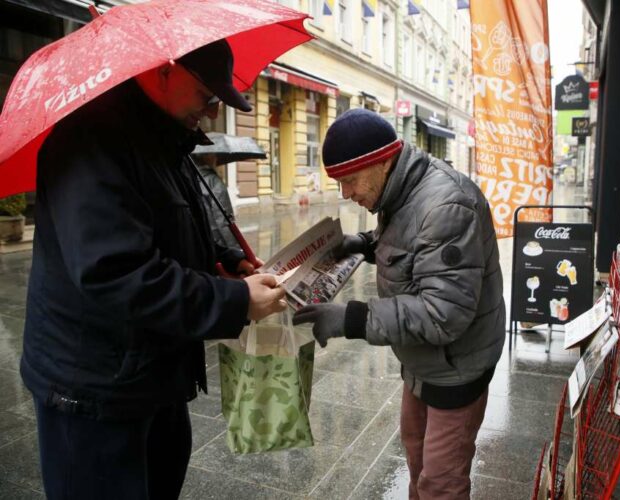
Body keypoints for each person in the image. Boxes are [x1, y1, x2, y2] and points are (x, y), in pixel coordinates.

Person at [21, 39, 287, 500]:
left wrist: (223, 263)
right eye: (207, 96)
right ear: (165, 71)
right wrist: (237, 300)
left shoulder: (160, 139)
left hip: (150, 377)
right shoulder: (91, 141)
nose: (209, 113)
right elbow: (118, 273)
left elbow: (165, 224)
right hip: (95, 392)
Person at [293, 109, 505, 499]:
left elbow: (444, 315)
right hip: (423, 362)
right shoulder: (402, 189)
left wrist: (351, 319)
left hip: (455, 367)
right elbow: (411, 245)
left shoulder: (446, 205)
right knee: (417, 461)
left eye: (350, 180)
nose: (346, 194)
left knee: (440, 482)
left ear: (384, 161)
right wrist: (363, 244)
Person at [192, 152, 238, 250]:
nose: (216, 158)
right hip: (218, 245)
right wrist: (236, 250)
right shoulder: (214, 181)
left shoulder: (189, 179)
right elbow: (224, 220)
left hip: (197, 243)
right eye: (214, 155)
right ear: (206, 156)